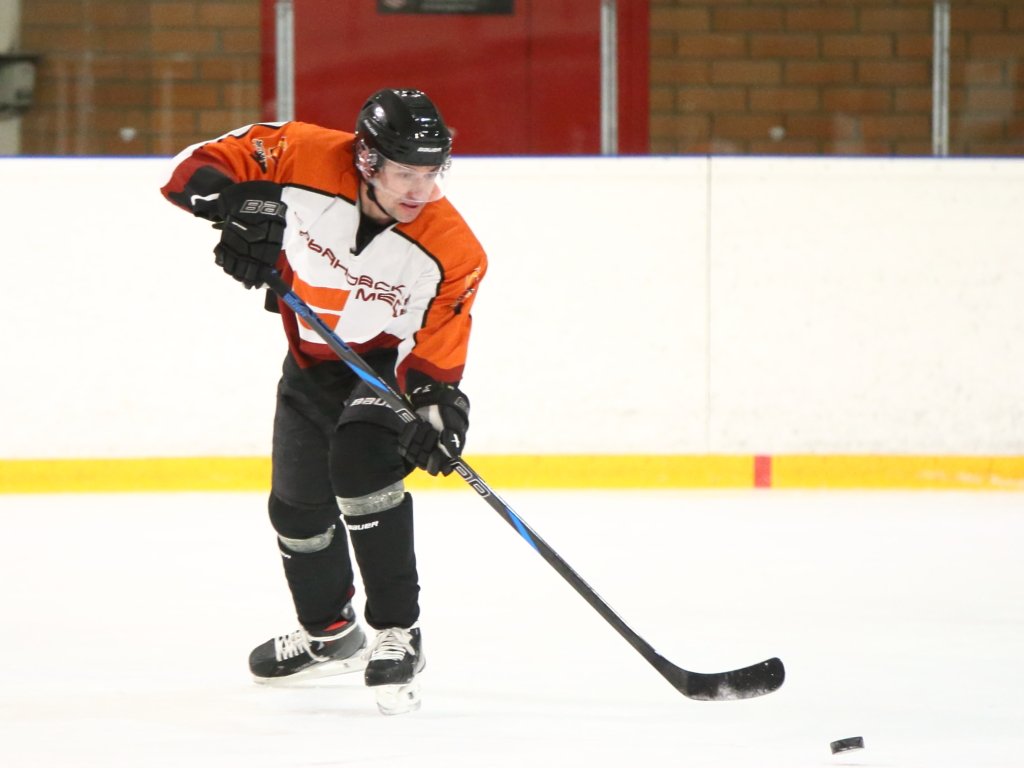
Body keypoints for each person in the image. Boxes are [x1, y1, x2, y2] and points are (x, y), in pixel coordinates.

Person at [160, 88, 487, 715]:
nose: (420, 189)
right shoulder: (301, 153)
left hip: (381, 368)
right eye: (405, 172)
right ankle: (331, 634)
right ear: (367, 159)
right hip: (310, 361)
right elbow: (188, 169)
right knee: (295, 510)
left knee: (360, 469)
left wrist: (437, 413)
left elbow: (435, 352)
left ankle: (398, 631)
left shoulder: (454, 250)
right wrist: (236, 205)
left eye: (432, 172)